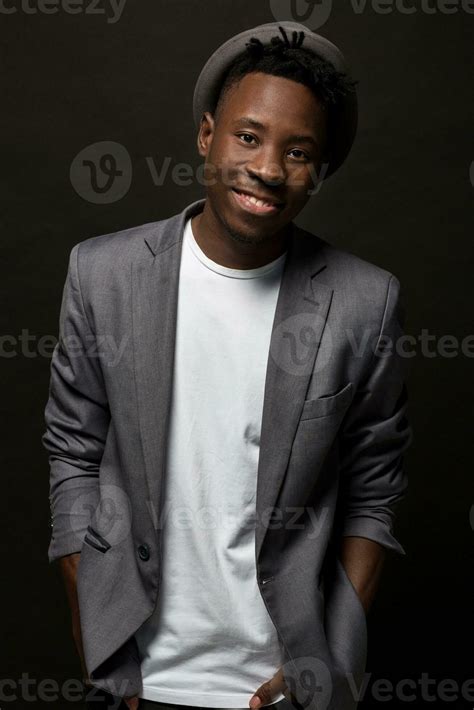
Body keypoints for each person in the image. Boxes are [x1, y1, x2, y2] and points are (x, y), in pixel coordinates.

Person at [42, 21, 413, 710]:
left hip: (284, 687)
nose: (269, 168)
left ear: (319, 170)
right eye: (249, 136)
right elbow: (73, 452)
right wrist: (95, 621)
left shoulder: (364, 301)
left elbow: (374, 493)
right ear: (207, 135)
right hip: (138, 680)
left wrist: (328, 666)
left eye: (298, 151)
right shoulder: (104, 275)